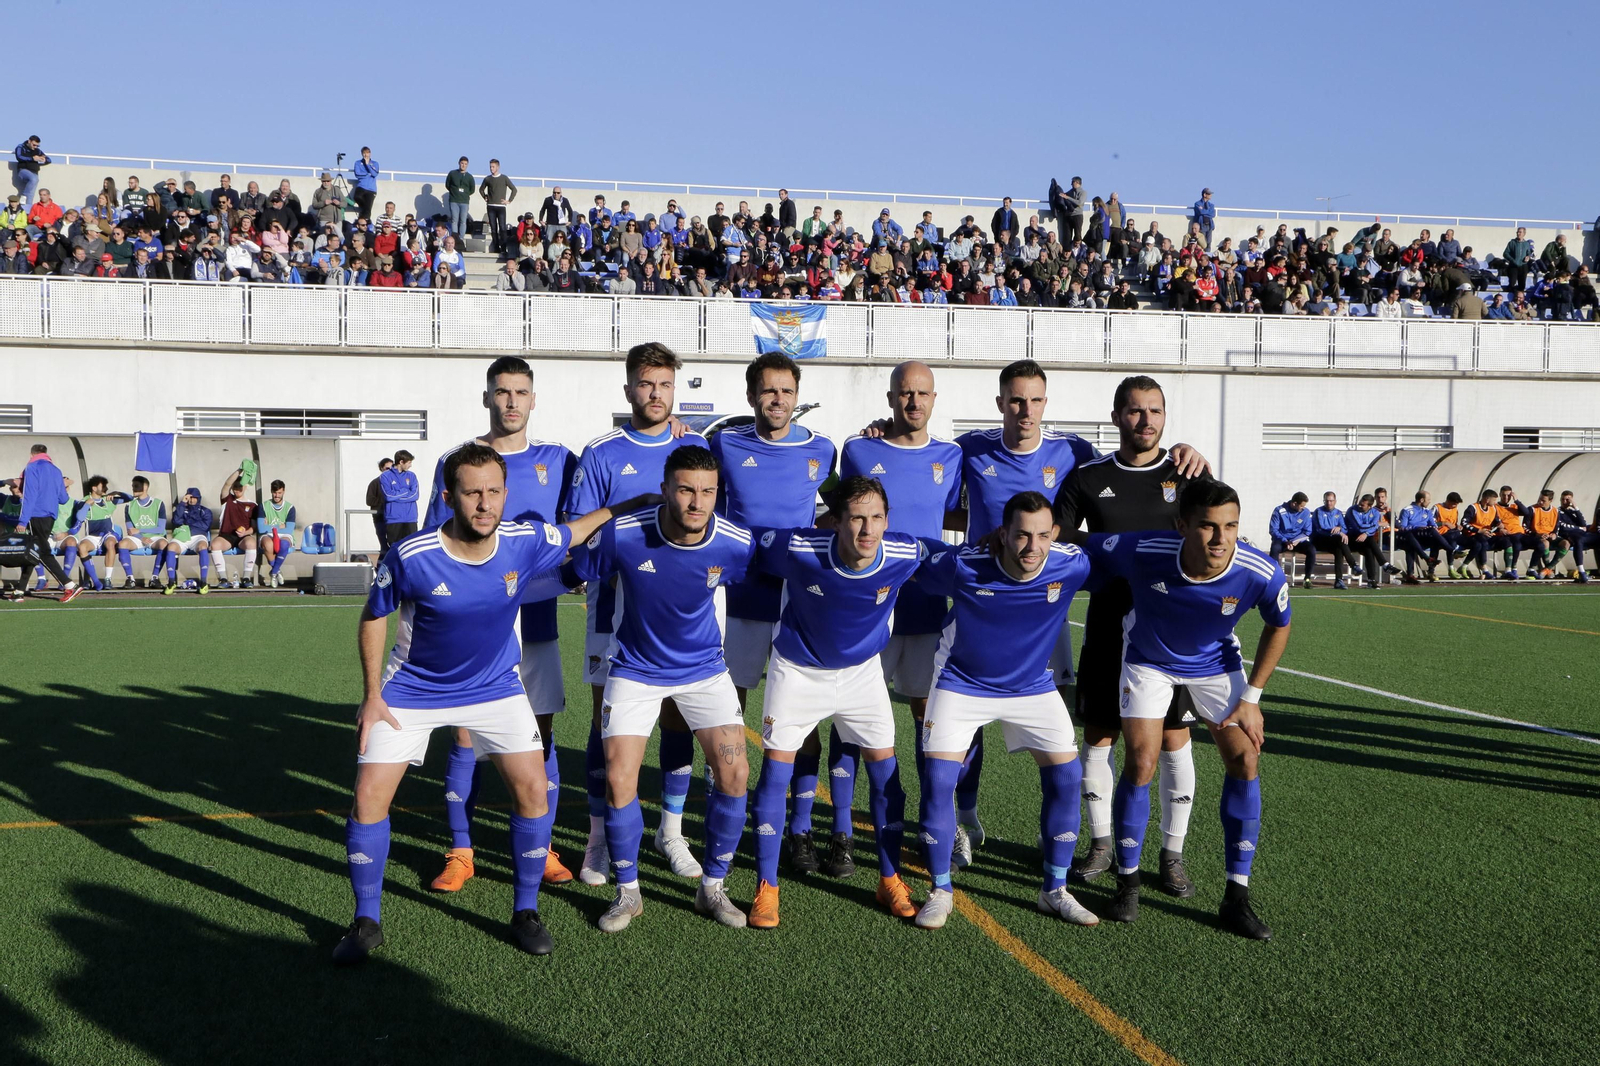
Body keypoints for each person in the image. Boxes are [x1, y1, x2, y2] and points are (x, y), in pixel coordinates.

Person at [333, 443, 633, 965]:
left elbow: (574, 532)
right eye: (472, 492)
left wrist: (622, 507)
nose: (485, 503)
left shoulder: (522, 540)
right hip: (414, 690)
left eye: (494, 491)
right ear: (449, 497)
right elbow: (374, 614)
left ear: (505, 494)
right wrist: (372, 695)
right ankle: (365, 921)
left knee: (533, 790)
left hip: (495, 687)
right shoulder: (413, 555)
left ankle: (525, 911)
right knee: (367, 799)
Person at [565, 445, 757, 932]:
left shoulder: (735, 542)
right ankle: (628, 893)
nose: (697, 502)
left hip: (704, 669)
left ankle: (712, 887)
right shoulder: (624, 533)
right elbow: (575, 569)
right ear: (665, 489)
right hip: (635, 668)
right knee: (619, 777)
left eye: (707, 491)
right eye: (686, 489)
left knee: (735, 773)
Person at [1097, 479, 1290, 940]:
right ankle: (1128, 882)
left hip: (1214, 664)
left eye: (1230, 526)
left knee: (1245, 758)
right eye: (1208, 526)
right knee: (1141, 761)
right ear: (1182, 525)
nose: (1221, 538)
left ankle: (1236, 897)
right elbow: (1076, 547)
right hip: (1148, 661)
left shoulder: (1260, 572)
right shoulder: (1143, 549)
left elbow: (1279, 625)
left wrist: (1252, 698)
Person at [422, 357, 580, 892]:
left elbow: (579, 525)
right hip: (475, 624)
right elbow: (434, 544)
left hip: (536, 619)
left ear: (534, 400)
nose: (511, 401)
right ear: (487, 397)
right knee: (467, 734)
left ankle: (543, 844)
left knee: (540, 734)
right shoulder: (457, 461)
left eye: (521, 392)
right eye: (502, 392)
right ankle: (461, 850)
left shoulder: (560, 460)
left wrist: (677, 430)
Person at [1050, 376, 1210, 894]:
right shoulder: (1088, 478)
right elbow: (1058, 537)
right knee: (1099, 735)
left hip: (1168, 631)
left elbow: (1215, 530)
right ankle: (1101, 842)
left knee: (1173, 738)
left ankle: (1172, 853)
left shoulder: (1187, 474)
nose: (1146, 421)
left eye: (1155, 411)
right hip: (1106, 622)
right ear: (1117, 415)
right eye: (1136, 411)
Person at [744, 477, 927, 927]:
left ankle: (889, 879)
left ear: (887, 520)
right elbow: (742, 545)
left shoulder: (904, 551)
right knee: (774, 775)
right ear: (836, 522)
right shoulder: (799, 547)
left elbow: (955, 562)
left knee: (887, 777)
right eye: (857, 518)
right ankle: (767, 886)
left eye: (877, 518)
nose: (868, 529)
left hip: (862, 674)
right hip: (798, 670)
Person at [911, 491, 1098, 930]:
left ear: (1054, 534)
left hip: (1031, 686)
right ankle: (940, 890)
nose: (1032, 546)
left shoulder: (1071, 564)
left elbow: (1123, 552)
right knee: (939, 779)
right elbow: (917, 559)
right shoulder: (965, 565)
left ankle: (1054, 889)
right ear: (1003, 534)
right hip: (963, 682)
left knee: (1068, 776)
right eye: (1021, 535)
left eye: (1042, 535)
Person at [567, 343, 710, 885]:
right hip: (614, 609)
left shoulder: (696, 446)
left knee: (677, 716)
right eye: (646, 384)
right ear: (628, 388)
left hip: (680, 612)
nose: (656, 394)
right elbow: (578, 533)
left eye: (665, 384)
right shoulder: (601, 452)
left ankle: (671, 831)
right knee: (607, 722)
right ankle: (599, 838)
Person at [709, 353, 837, 874]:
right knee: (728, 710)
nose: (777, 400)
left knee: (802, 716)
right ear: (751, 396)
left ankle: (800, 829)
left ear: (797, 396)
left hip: (797, 602)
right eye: (768, 391)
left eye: (786, 391)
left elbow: (846, 505)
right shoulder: (723, 444)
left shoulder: (822, 450)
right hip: (740, 597)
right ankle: (727, 813)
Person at [834, 362, 963, 869]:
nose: (913, 402)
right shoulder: (858, 449)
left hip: (926, 610)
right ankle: (842, 830)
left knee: (929, 721)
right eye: (905, 393)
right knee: (850, 719)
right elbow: (840, 515)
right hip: (867, 610)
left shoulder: (951, 455)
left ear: (935, 398)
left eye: (922, 393)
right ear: (890, 398)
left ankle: (935, 823)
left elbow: (956, 512)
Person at [11, 444, 82, 601]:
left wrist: (22, 521)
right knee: (34, 550)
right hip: (50, 516)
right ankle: (20, 590)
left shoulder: (31, 467)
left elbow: (29, 496)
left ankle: (69, 585)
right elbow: (64, 499)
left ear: (32, 454)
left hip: (36, 515)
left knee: (42, 551)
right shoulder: (56, 470)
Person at [159, 487, 216, 594]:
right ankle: (171, 582)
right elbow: (176, 521)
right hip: (182, 536)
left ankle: (203, 582)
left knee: (203, 546)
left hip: (198, 536)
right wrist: (182, 504)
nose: (192, 500)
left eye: (194, 498)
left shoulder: (205, 511)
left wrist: (187, 524)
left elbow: (205, 526)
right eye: (189, 497)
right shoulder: (181, 508)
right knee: (171, 547)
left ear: (199, 498)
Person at [216, 469, 261, 588]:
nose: (237, 489)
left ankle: (246, 578)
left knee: (251, 543)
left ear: (245, 487)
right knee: (214, 545)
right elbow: (226, 484)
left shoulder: (252, 505)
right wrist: (240, 470)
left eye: (240, 487)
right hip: (226, 536)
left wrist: (246, 532)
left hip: (243, 537)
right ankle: (223, 579)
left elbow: (254, 527)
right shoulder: (228, 499)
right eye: (235, 487)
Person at [121, 475, 169, 588]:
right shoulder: (129, 505)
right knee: (122, 544)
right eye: (133, 486)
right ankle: (130, 579)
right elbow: (130, 530)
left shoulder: (158, 504)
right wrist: (141, 537)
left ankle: (154, 578)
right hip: (138, 537)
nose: (133, 488)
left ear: (145, 487)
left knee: (164, 544)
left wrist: (141, 530)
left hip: (155, 537)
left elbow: (160, 528)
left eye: (136, 486)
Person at [1396, 491, 1451, 583]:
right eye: (1428, 499)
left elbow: (1433, 525)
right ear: (1421, 500)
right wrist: (1416, 527)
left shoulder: (1427, 511)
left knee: (1434, 539)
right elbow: (1402, 528)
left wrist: (1430, 527)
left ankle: (1431, 571)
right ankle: (1411, 574)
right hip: (1411, 536)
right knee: (1410, 545)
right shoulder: (1407, 510)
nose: (1429, 501)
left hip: (1423, 536)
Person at [1310, 491, 1361, 589]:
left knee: (1339, 550)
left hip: (1334, 541)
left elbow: (1344, 528)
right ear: (1324, 501)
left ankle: (1339, 580)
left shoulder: (1338, 513)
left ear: (1335, 501)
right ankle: (1353, 565)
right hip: (1320, 540)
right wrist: (1339, 532)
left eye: (1331, 501)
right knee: (1339, 539)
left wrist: (1340, 528)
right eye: (1327, 501)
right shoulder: (1319, 512)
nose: (1329, 503)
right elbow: (1321, 528)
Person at [1269, 492, 1316, 587]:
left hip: (1297, 541)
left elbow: (1307, 531)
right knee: (1274, 549)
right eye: (1301, 506)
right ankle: (1275, 578)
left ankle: (1307, 579)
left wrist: (1296, 541)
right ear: (1294, 504)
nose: (1303, 508)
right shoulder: (1279, 510)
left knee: (1311, 550)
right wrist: (1285, 541)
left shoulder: (1306, 512)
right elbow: (1273, 530)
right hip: (1282, 540)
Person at [257, 479, 296, 587]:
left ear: (283, 492)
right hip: (268, 534)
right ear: (271, 491)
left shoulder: (290, 508)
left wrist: (270, 526)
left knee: (284, 544)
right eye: (275, 492)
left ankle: (273, 573)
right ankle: (277, 571)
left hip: (283, 534)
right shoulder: (263, 506)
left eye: (279, 493)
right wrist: (280, 526)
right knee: (268, 545)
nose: (277, 495)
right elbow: (261, 529)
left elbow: (289, 529)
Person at [1492, 485, 1535, 580]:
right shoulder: (1495, 507)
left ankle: (1533, 569)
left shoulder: (1514, 506)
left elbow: (1526, 512)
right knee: (1516, 544)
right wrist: (1500, 529)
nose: (1506, 497)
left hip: (1519, 533)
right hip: (1507, 533)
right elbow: (1492, 521)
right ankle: (1512, 569)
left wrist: (1517, 500)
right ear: (1500, 495)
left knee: (1540, 544)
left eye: (1508, 495)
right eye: (1503, 495)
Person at [1344, 493, 1385, 588]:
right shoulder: (1353, 510)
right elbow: (1359, 527)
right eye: (1360, 503)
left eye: (1362, 505)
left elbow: (1373, 528)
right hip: (1351, 539)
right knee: (1370, 540)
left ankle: (1371, 580)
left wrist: (1366, 533)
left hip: (1364, 540)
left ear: (1369, 506)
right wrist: (1373, 526)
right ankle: (1384, 563)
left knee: (1369, 549)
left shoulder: (1375, 512)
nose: (1359, 506)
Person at [380, 450, 420, 544]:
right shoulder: (385, 476)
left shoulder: (412, 476)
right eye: (409, 462)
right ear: (401, 462)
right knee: (394, 547)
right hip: (393, 519)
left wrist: (396, 496)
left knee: (411, 547)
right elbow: (388, 496)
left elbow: (415, 495)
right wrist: (405, 491)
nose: (410, 465)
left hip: (410, 519)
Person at [1461, 489, 1502, 579]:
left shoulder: (1493, 508)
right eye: (1494, 500)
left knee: (1507, 541)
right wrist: (1478, 530)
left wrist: (1500, 525)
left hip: (1487, 535)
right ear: (1487, 499)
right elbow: (1464, 523)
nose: (1495, 503)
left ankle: (1509, 570)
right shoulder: (1473, 508)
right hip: (1472, 536)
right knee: (1481, 542)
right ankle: (1484, 569)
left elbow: (1497, 521)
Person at [479, 159, 517, 256]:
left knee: (503, 228)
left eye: (493, 167)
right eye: (490, 167)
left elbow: (514, 189)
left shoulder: (504, 178)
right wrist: (485, 196)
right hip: (490, 206)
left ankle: (503, 247)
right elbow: (481, 189)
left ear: (498, 167)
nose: (491, 168)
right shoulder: (487, 179)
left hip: (501, 207)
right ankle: (496, 247)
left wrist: (509, 201)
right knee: (493, 228)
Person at [1556, 490, 1596, 582]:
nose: (1564, 502)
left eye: (1567, 500)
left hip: (1581, 534)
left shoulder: (1573, 511)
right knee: (1579, 540)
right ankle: (1582, 572)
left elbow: (1583, 523)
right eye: (1562, 499)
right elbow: (1563, 527)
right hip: (1568, 535)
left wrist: (1576, 507)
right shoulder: (1557, 512)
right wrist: (1580, 528)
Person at [1526, 489, 1566, 579]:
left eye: (1543, 500)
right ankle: (1547, 569)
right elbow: (1525, 528)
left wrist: (1554, 534)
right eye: (1539, 499)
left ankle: (1548, 568)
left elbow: (1557, 527)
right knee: (1545, 543)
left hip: (1549, 536)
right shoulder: (1532, 509)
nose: (1540, 502)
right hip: (1536, 536)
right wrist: (1537, 534)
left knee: (1566, 544)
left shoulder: (1555, 511)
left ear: (1550, 500)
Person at [366, 457, 393, 554]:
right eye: (387, 468)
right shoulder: (375, 483)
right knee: (384, 544)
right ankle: (382, 561)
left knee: (393, 543)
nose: (390, 470)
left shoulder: (395, 483)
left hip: (393, 518)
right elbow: (369, 500)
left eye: (392, 468)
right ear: (381, 468)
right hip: (380, 517)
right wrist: (385, 500)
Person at [12, 135, 48, 208]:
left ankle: (28, 207)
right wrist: (32, 158)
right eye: (34, 145)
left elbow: (49, 159)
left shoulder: (37, 150)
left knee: (31, 192)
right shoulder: (21, 147)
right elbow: (19, 157)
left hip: (34, 172)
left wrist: (43, 160)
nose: (35, 147)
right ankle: (24, 196)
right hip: (23, 171)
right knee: (34, 179)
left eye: (37, 145)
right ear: (29, 141)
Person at [445, 156, 474, 238]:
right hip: (454, 201)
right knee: (454, 220)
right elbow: (447, 185)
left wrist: (465, 194)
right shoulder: (452, 173)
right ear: (459, 163)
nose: (463, 165)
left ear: (467, 165)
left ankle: (461, 238)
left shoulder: (469, 177)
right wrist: (454, 192)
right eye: (462, 163)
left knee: (463, 221)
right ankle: (455, 238)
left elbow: (472, 189)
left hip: (464, 202)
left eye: (465, 164)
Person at [351, 147, 379, 222]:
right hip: (361, 186)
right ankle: (365, 209)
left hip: (371, 189)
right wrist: (367, 174)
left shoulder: (375, 163)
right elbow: (357, 174)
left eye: (367, 153)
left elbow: (374, 174)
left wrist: (367, 165)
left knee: (367, 210)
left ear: (370, 153)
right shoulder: (358, 163)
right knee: (357, 197)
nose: (366, 154)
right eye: (364, 153)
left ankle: (365, 222)